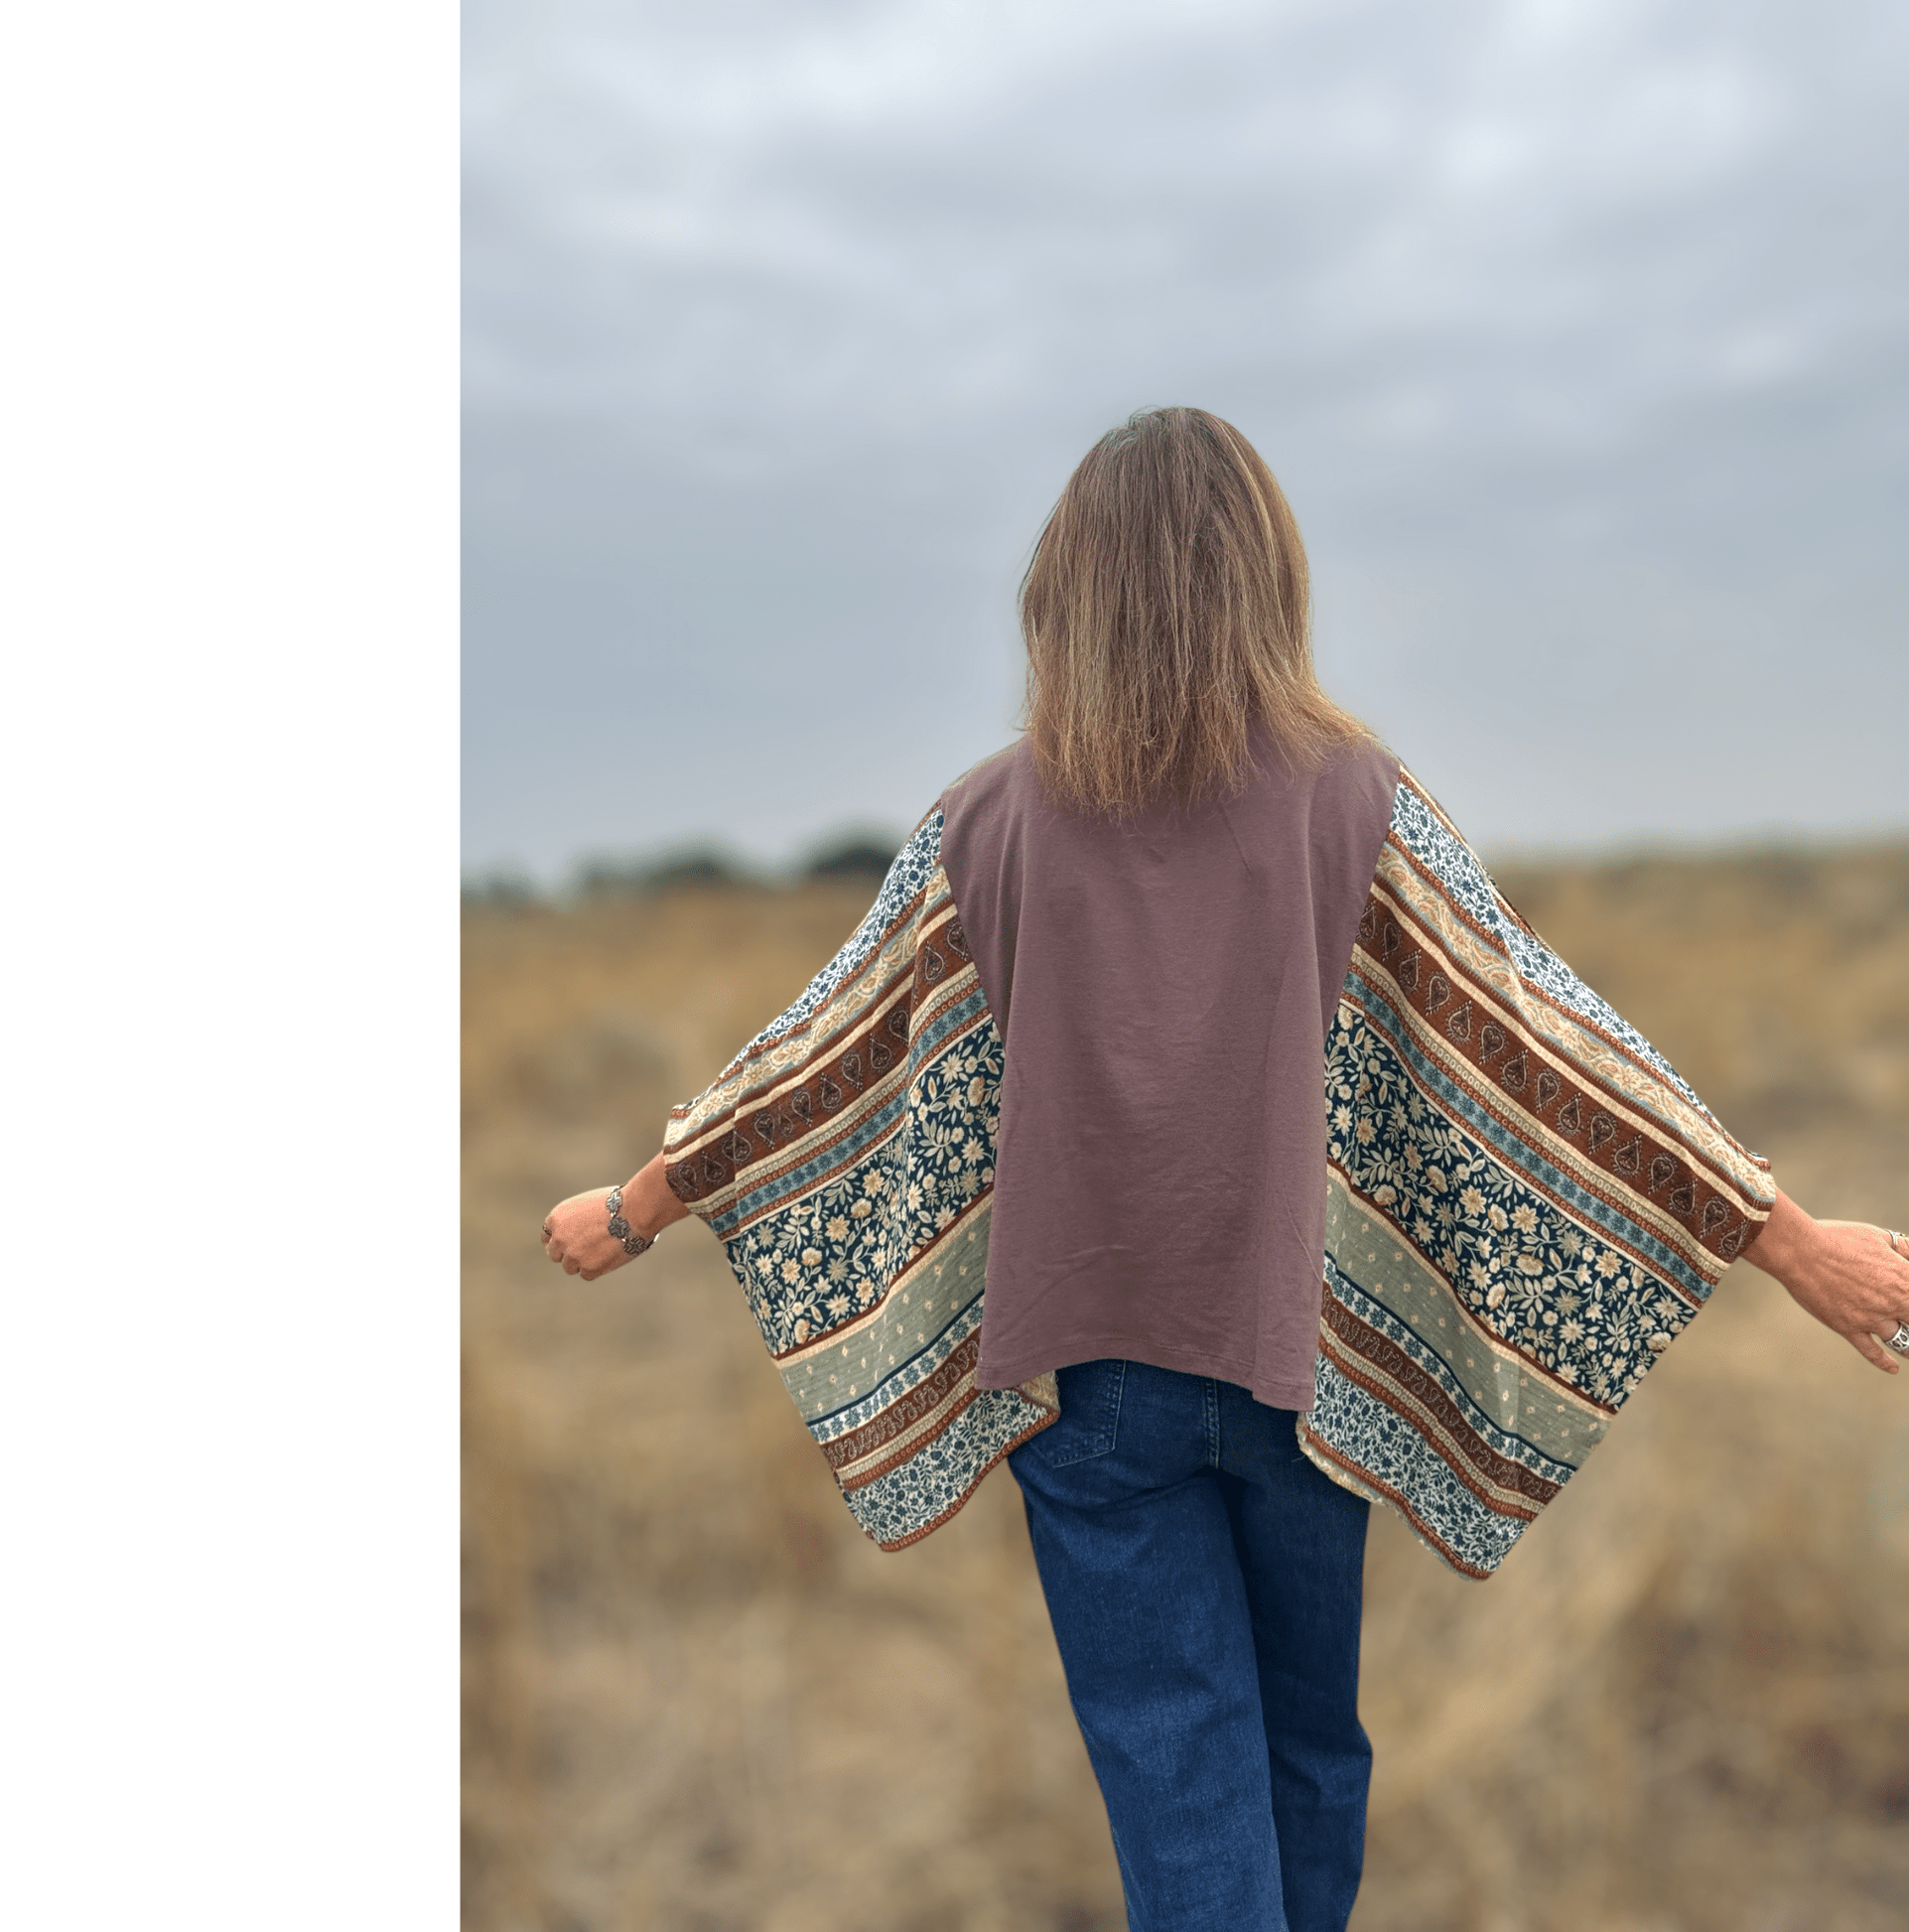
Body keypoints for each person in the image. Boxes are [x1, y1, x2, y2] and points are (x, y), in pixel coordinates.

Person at [540, 407, 1909, 1932]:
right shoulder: (1354, 799)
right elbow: (1551, 1039)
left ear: (1066, 589)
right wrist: (1790, 1240)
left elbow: (816, 1054)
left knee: (1184, 1776)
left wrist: (635, 1207)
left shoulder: (984, 821)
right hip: (1293, 1372)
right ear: (1265, 579)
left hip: (1089, 1389)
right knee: (1307, 1757)